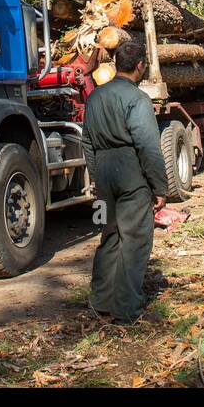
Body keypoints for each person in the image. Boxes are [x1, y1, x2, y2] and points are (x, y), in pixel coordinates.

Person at [81, 40, 167, 323]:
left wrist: (96, 178)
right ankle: (126, 307)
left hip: (104, 172)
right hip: (130, 170)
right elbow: (148, 146)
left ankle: (101, 302)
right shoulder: (137, 98)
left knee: (109, 236)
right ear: (140, 66)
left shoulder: (94, 98)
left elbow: (87, 141)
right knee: (135, 239)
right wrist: (159, 188)